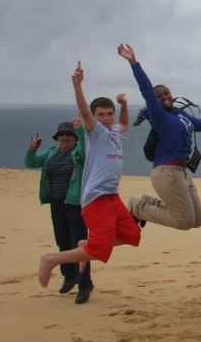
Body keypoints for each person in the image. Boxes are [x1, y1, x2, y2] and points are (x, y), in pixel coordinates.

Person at [38, 62, 141, 288]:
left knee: (132, 235)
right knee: (99, 249)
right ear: (94, 117)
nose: (106, 118)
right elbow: (84, 112)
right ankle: (50, 259)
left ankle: (86, 245)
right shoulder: (94, 132)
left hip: (112, 195)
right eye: (101, 114)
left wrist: (124, 104)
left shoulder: (114, 131)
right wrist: (77, 85)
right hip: (96, 198)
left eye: (109, 113)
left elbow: (124, 123)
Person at [118, 44, 201, 230]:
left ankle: (145, 203)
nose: (163, 97)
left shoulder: (182, 116)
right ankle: (137, 206)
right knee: (185, 222)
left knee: (197, 220)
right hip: (166, 172)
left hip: (182, 172)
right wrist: (134, 62)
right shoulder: (160, 117)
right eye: (159, 96)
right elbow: (146, 90)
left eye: (166, 93)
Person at [26, 119, 93, 303]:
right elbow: (30, 162)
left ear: (74, 139)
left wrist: (79, 130)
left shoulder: (78, 153)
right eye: (62, 134)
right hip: (56, 202)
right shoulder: (51, 154)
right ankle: (69, 276)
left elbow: (86, 151)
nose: (65, 137)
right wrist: (32, 149)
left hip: (74, 203)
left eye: (69, 134)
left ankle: (84, 284)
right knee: (62, 240)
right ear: (57, 137)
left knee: (79, 244)